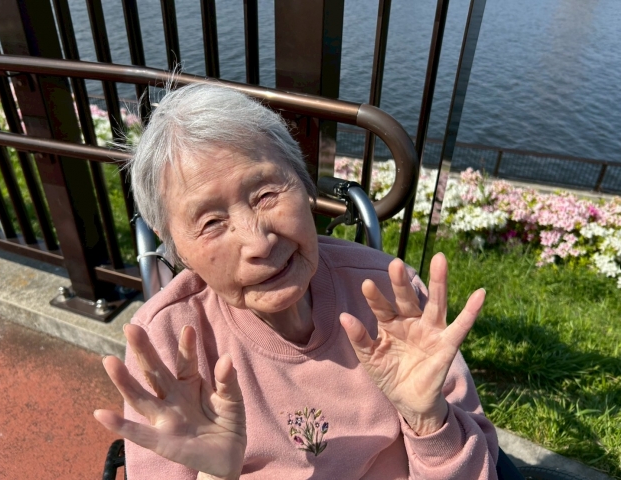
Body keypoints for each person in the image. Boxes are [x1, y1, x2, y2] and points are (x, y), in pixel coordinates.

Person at [94, 83, 499, 479]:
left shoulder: (390, 297)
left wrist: (428, 421)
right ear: (176, 249)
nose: (259, 242)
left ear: (303, 183)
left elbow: (481, 468)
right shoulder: (167, 340)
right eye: (212, 222)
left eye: (266, 194)